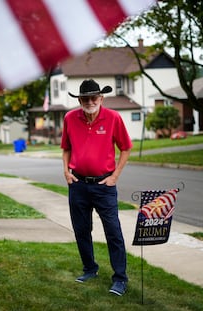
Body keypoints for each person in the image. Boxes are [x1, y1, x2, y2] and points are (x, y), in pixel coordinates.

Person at [61, 79, 132, 296]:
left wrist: (115, 176)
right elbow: (66, 148)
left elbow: (126, 148)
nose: (90, 102)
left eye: (94, 97)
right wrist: (66, 171)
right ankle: (90, 269)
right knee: (82, 230)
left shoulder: (113, 118)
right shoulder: (70, 118)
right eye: (85, 98)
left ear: (101, 98)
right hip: (78, 185)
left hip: (104, 186)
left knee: (113, 232)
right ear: (79, 100)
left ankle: (120, 279)